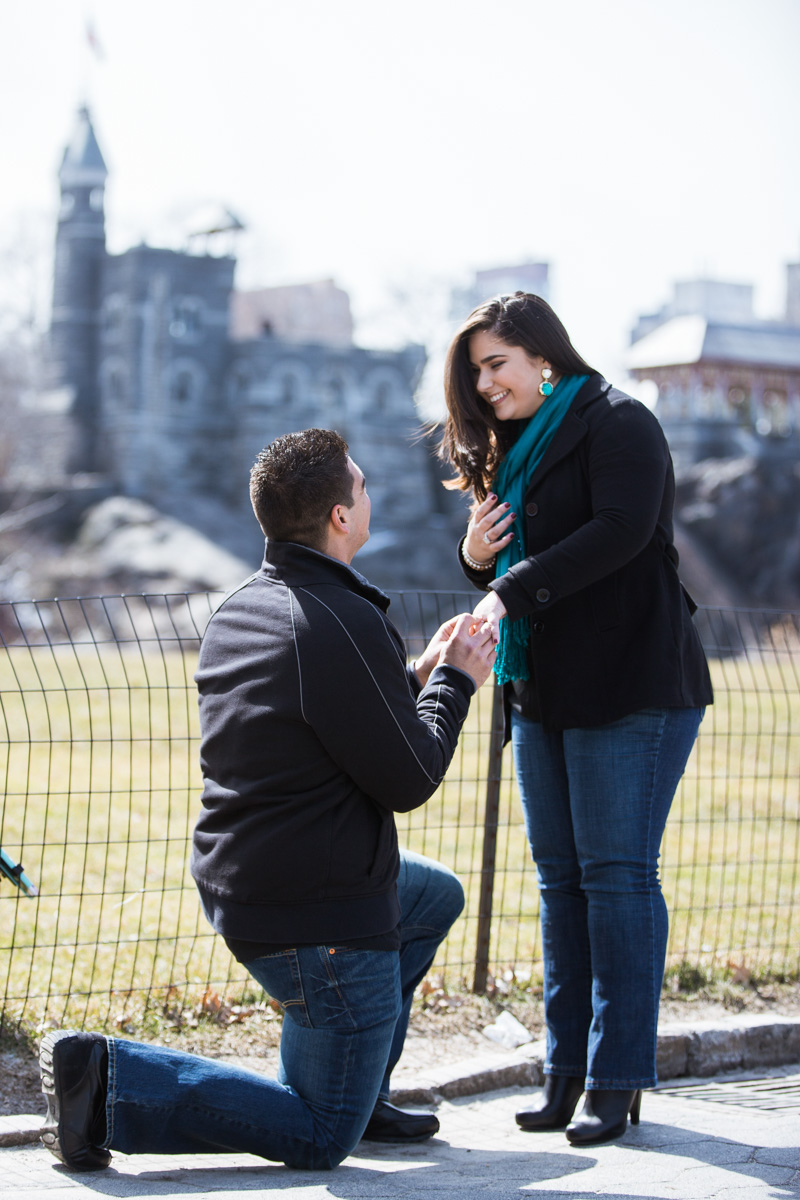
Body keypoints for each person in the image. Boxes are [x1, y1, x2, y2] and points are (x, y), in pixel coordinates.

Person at [39, 428, 496, 1173]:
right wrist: (457, 681)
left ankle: (360, 1077)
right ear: (340, 518)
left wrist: (413, 676)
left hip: (247, 879)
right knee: (319, 1134)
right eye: (363, 484)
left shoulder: (245, 607)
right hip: (316, 912)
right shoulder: (342, 619)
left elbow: (322, 720)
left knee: (432, 895)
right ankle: (105, 1078)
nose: (370, 492)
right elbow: (410, 779)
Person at [440, 292, 713, 1146]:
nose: (484, 386)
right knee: (561, 883)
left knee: (617, 877)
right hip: (545, 689)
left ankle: (617, 1078)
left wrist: (504, 584)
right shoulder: (513, 449)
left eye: (497, 365)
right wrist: (475, 555)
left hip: (632, 680)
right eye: (476, 371)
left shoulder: (618, 421)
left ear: (543, 356)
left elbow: (624, 531)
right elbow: (505, 557)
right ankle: (564, 1072)